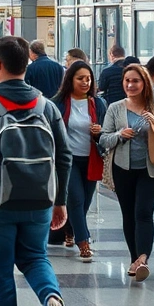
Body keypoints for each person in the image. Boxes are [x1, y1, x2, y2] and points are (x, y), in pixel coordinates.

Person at [0, 36, 71, 306]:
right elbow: (63, 156)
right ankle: (51, 296)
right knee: (35, 258)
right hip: (39, 199)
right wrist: (60, 201)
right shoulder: (46, 107)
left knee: (0, 270)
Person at [99, 64, 154, 281]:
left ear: (144, 83)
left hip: (152, 168)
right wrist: (120, 134)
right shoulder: (115, 108)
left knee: (143, 212)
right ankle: (135, 259)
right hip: (123, 168)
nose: (130, 85)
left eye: (135, 81)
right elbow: (104, 138)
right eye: (127, 81)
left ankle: (143, 258)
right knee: (128, 214)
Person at [51, 60, 106, 262]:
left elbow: (107, 131)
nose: (85, 82)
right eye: (80, 78)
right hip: (67, 160)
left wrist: (100, 132)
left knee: (84, 203)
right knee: (76, 199)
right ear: (70, 80)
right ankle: (83, 242)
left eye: (88, 79)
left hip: (91, 158)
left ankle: (69, 230)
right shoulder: (58, 103)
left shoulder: (98, 103)